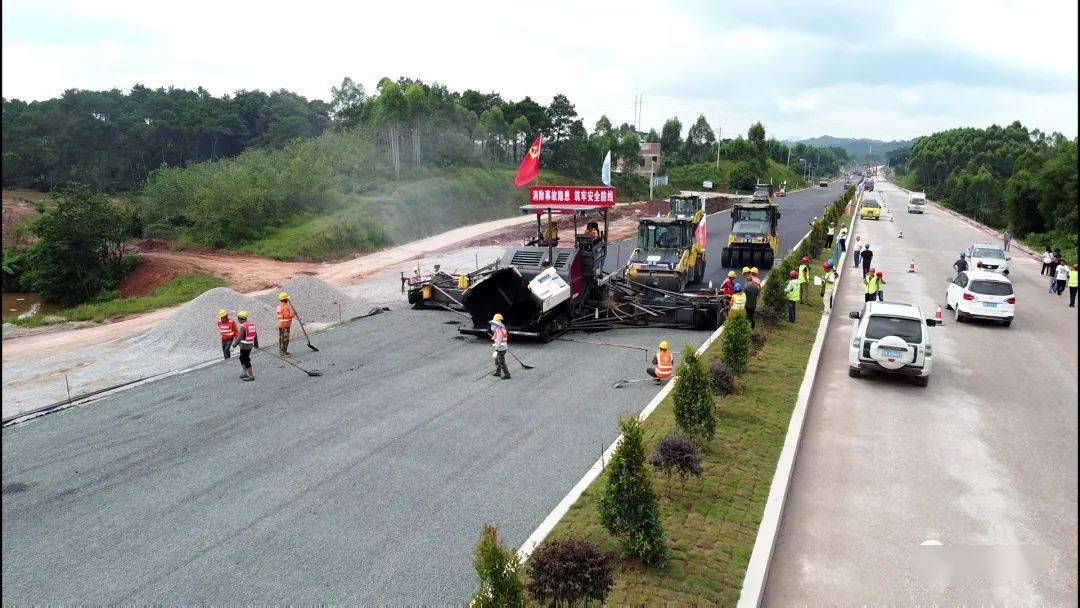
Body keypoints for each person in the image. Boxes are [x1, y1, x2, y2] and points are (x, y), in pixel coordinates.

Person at [230, 310, 259, 381]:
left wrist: (233, 346)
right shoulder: (252, 325)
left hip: (244, 346)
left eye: (238, 318)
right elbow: (255, 335)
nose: (238, 320)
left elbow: (239, 338)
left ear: (240, 318)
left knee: (246, 360)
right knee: (242, 357)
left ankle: (250, 375)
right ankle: (245, 372)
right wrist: (256, 345)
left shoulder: (243, 327)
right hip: (250, 346)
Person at [490, 313, 511, 379]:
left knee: (501, 361)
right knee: (497, 360)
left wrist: (496, 349)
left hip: (501, 348)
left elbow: (499, 341)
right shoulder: (501, 329)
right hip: (502, 347)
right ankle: (498, 372)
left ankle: (507, 374)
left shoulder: (499, 330)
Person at [276, 292, 294, 357]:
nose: (288, 300)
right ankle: (283, 352)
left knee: (281, 338)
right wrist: (294, 314)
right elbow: (287, 316)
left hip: (281, 325)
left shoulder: (279, 306)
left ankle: (282, 351)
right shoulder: (285, 307)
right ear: (285, 299)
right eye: (287, 299)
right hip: (285, 325)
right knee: (285, 339)